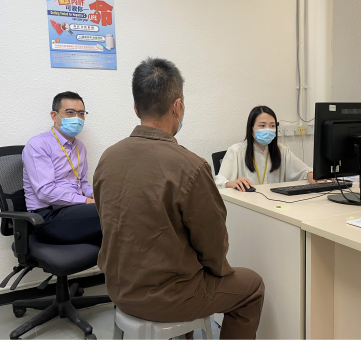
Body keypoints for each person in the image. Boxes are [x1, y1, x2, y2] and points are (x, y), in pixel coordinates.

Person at [94, 58, 264, 339]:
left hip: (118, 288)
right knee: (252, 286)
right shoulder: (190, 166)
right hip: (168, 298)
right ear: (178, 106)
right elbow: (213, 245)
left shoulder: (108, 157)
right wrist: (218, 270)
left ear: (136, 108)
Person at [22, 91, 101, 245]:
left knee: (116, 207)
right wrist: (86, 201)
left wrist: (95, 195)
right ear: (54, 116)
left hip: (74, 210)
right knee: (112, 213)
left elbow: (82, 182)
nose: (77, 118)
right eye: (70, 112)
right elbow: (46, 192)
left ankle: (118, 266)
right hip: (47, 217)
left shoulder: (80, 147)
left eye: (81, 114)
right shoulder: (38, 145)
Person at [215, 106, 325, 191]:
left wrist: (311, 174)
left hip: (275, 203)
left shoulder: (282, 150)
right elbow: (218, 182)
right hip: (247, 206)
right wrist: (231, 183)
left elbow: (302, 171)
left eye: (272, 126)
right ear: (251, 128)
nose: (268, 129)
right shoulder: (236, 151)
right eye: (262, 126)